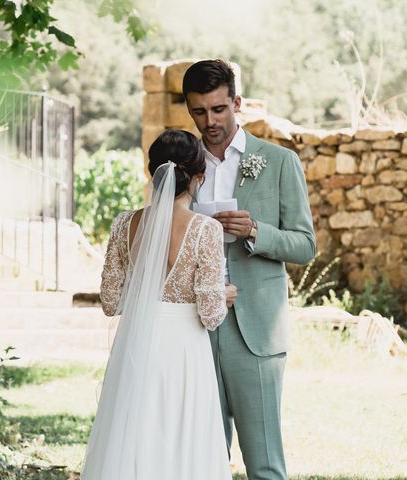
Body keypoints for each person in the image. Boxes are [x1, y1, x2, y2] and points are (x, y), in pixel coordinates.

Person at [182, 59, 317, 480]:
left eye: (219, 109)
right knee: (201, 459)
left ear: (236, 103)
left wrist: (257, 231)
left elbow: (305, 244)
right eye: (199, 111)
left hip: (254, 331)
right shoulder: (183, 166)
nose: (210, 121)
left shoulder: (278, 161)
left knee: (264, 464)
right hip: (193, 326)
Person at [81, 129, 236, 479]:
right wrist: (223, 294)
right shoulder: (204, 230)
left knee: (134, 436)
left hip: (137, 344)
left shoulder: (124, 224)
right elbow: (211, 315)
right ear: (199, 177)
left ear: (153, 174)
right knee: (183, 438)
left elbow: (110, 301)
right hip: (183, 353)